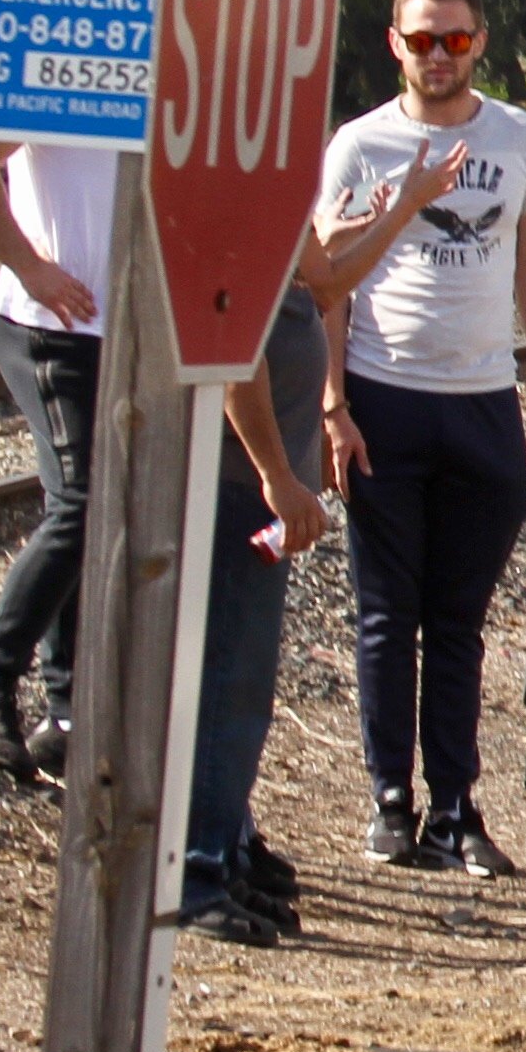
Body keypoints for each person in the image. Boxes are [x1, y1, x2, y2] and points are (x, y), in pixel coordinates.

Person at [313, 0, 526, 876]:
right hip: (383, 396)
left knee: (461, 621)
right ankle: (390, 800)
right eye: (423, 40)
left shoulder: (516, 139)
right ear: (395, 45)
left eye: (457, 40)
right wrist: (334, 406)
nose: (439, 56)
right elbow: (325, 288)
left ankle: (457, 805)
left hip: (480, 403)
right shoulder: (359, 147)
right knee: (389, 614)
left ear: (479, 43)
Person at [0, 134, 111, 774]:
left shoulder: (173, 61)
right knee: (82, 506)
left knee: (86, 512)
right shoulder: (61, 58)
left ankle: (65, 713)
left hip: (122, 332)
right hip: (51, 329)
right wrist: (30, 267)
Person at [180, 274, 333, 945]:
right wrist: (276, 473)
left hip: (257, 486)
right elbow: (235, 353)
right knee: (226, 688)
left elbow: (325, 280)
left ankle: (224, 852)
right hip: (240, 489)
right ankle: (195, 869)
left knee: (242, 688)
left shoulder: (281, 212)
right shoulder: (245, 223)